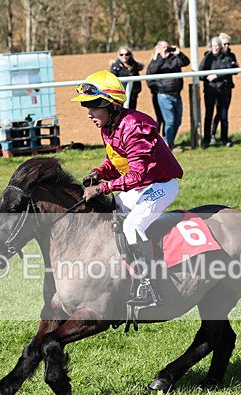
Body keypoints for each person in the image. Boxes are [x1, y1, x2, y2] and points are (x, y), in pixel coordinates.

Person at [72, 70, 183, 308]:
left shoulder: (134, 126)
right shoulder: (109, 127)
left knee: (133, 224)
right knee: (113, 213)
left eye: (94, 108)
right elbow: (118, 162)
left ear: (111, 107)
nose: (89, 114)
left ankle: (149, 287)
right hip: (142, 185)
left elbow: (137, 174)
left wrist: (102, 188)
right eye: (87, 108)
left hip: (160, 185)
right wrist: (99, 172)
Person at [146, 40, 190, 151]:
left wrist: (179, 53)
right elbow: (151, 71)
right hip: (164, 95)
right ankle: (167, 145)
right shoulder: (156, 61)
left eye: (168, 47)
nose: (167, 49)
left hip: (177, 95)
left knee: (177, 121)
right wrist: (161, 57)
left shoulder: (175, 59)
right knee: (169, 121)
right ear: (158, 49)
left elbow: (186, 62)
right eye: (164, 47)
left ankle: (168, 142)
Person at [199, 36, 237, 148]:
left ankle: (224, 139)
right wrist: (207, 76)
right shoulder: (206, 58)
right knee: (208, 115)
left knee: (223, 116)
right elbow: (200, 73)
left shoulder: (226, 57)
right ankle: (206, 139)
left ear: (220, 47)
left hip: (223, 90)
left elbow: (230, 70)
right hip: (210, 90)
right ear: (210, 47)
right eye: (213, 46)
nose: (215, 48)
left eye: (217, 46)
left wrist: (216, 75)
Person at [213, 32, 239, 146]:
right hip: (215, 89)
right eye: (224, 44)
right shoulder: (215, 56)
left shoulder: (231, 55)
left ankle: (224, 138)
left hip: (227, 88)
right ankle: (212, 134)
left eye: (228, 44)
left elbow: (235, 70)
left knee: (223, 114)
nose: (227, 46)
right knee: (218, 114)